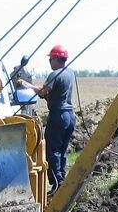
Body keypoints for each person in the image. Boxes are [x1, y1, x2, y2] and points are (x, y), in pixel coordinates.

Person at [19, 45, 76, 192]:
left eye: (51, 59)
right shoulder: (70, 73)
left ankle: (57, 182)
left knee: (53, 150)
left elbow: (44, 91)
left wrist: (27, 85)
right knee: (62, 150)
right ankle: (62, 176)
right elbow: (52, 93)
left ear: (56, 59)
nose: (50, 62)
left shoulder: (55, 74)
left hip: (58, 115)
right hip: (70, 116)